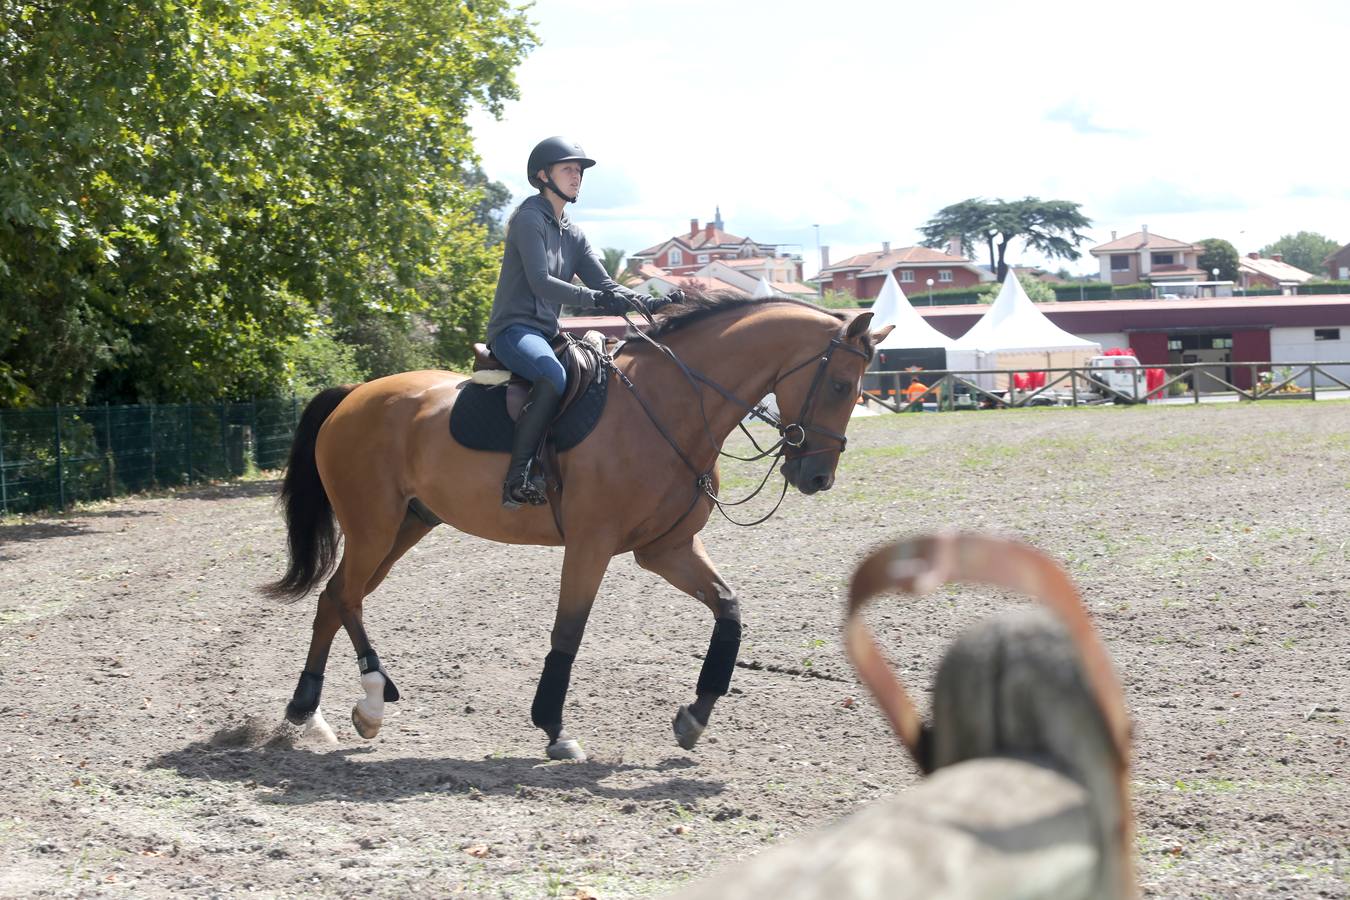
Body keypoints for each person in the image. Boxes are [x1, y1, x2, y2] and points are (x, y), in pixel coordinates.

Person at [486, 136, 665, 509]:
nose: (576, 176)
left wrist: (652, 301)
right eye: (568, 169)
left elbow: (606, 284)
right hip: (515, 331)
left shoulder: (573, 232)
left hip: (548, 333)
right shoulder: (529, 219)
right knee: (552, 375)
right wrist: (597, 299)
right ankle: (517, 477)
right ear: (542, 175)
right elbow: (541, 283)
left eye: (579, 171)